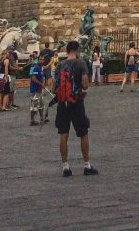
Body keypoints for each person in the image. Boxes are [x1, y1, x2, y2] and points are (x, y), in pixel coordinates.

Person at [54, 40, 97, 177]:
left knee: (63, 135)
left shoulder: (60, 65)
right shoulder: (81, 63)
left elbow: (53, 87)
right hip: (77, 102)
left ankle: (65, 167)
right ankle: (86, 165)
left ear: (67, 51)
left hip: (62, 104)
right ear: (77, 50)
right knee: (83, 133)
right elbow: (85, 84)